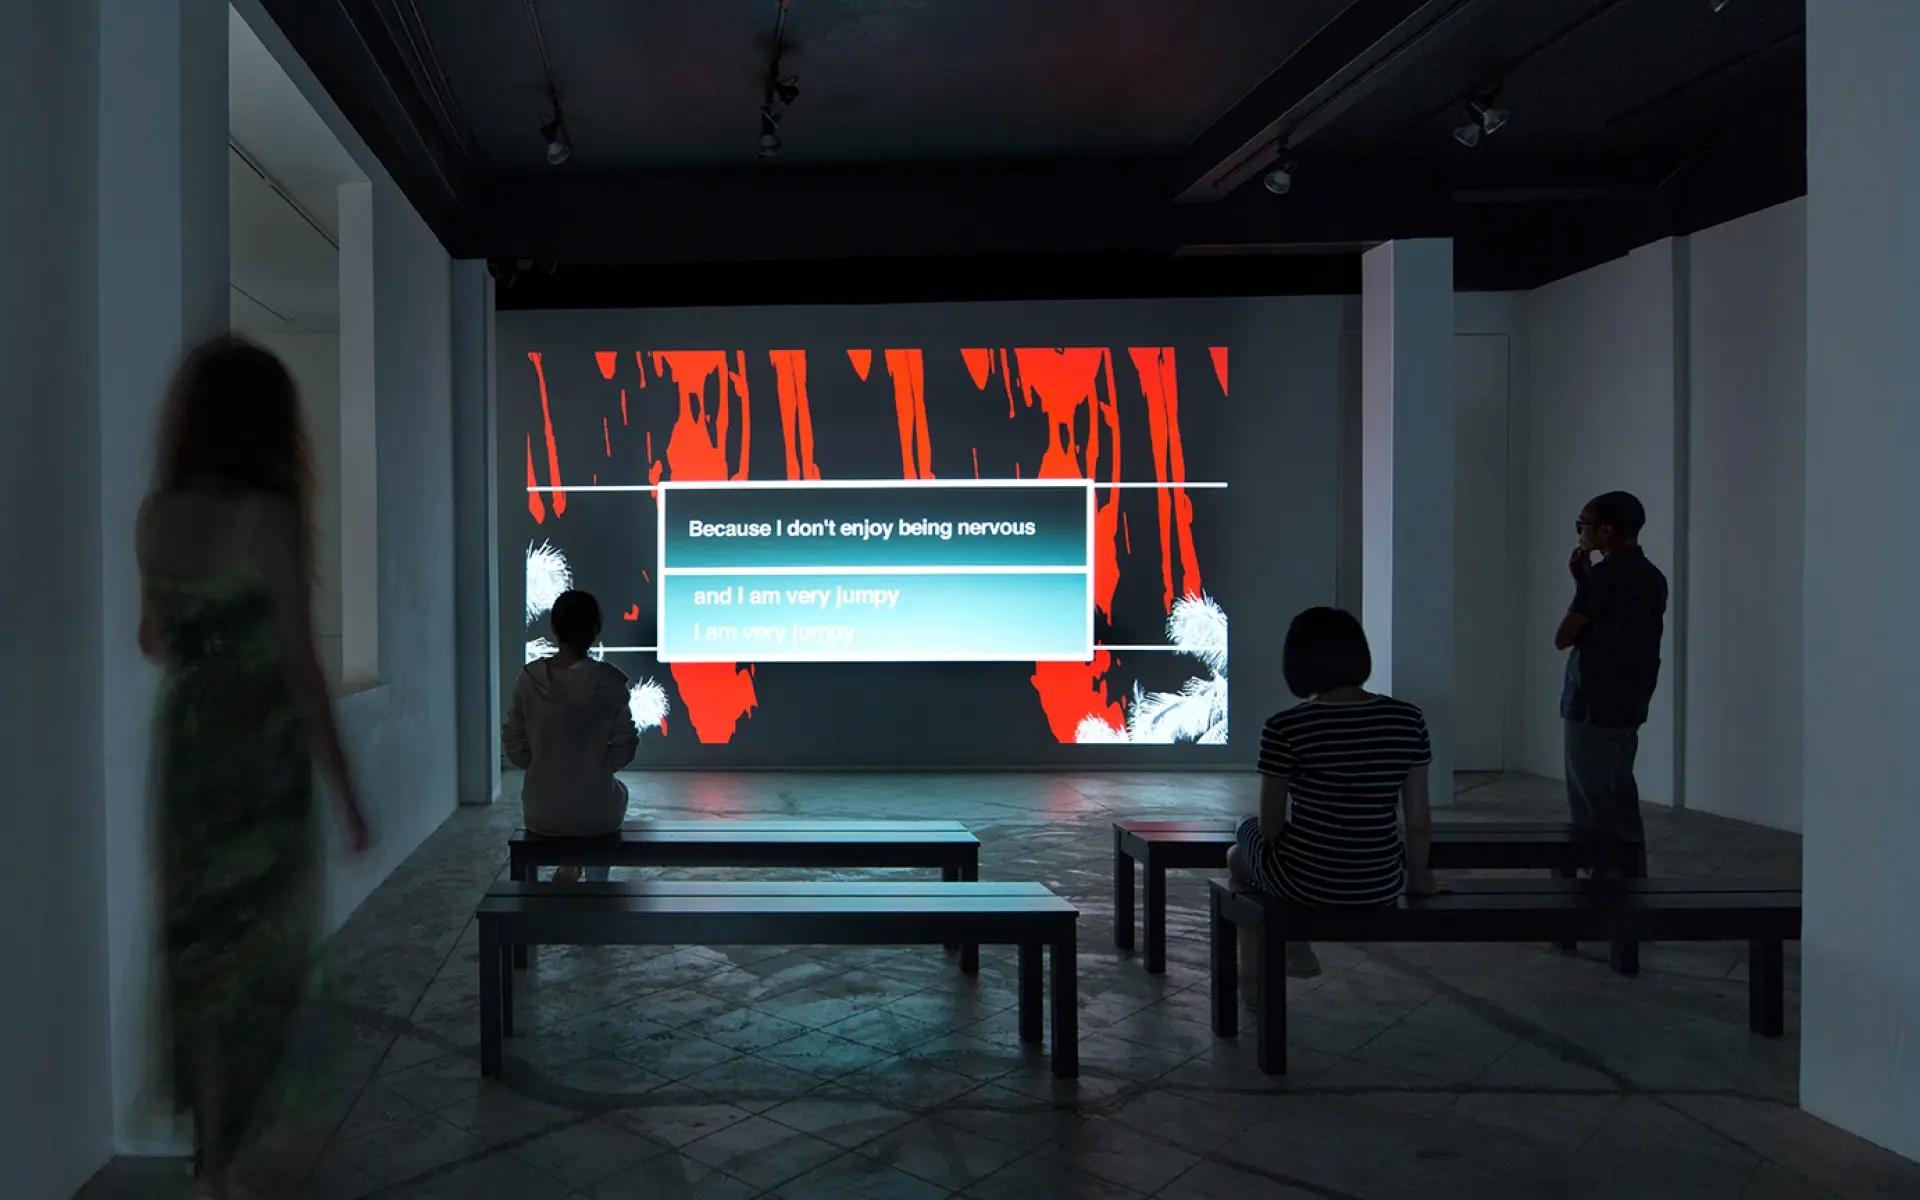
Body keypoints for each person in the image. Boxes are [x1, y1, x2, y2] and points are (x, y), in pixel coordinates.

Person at [138, 336, 371, 1198]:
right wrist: (345, 791)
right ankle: (246, 1156)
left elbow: (152, 639)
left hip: (189, 754)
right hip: (260, 758)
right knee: (265, 956)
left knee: (198, 952)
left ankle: (212, 1155)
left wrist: (205, 636)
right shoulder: (267, 518)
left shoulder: (155, 516)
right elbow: (302, 668)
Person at [1228, 607, 1443, 982]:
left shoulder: (1285, 726)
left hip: (1306, 883)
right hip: (1379, 883)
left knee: (1238, 849)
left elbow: (1270, 829)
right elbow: (1419, 822)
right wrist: (1418, 879)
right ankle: (1284, 952)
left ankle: (1261, 968)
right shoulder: (1408, 719)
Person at [1554, 491, 1668, 877]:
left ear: (1606, 531)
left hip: (1591, 704)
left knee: (1591, 804)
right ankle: (1632, 881)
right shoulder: (1653, 576)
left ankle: (1602, 890)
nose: (1579, 533)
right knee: (1620, 796)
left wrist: (1583, 585)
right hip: (1630, 703)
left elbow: (1563, 637)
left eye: (1583, 526)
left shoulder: (1603, 578)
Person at [502, 589, 639, 881]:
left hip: (543, 813)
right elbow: (626, 747)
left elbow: (514, 744)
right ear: (596, 629)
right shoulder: (610, 682)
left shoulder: (529, 680)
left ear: (553, 626)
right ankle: (595, 887)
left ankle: (568, 867)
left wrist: (542, 765)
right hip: (597, 815)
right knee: (613, 799)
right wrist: (598, 767)